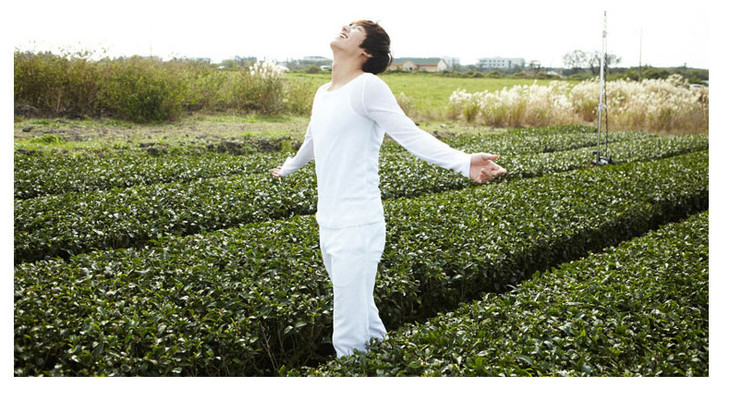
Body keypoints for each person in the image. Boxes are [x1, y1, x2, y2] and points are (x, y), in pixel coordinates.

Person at [270, 20, 507, 358]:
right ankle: (391, 366)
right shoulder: (323, 93)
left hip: (358, 225)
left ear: (365, 52)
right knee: (363, 316)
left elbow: (410, 134)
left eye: (354, 29)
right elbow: (312, 139)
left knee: (348, 334)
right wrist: (289, 167)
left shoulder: (368, 87)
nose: (345, 27)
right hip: (329, 223)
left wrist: (463, 162)